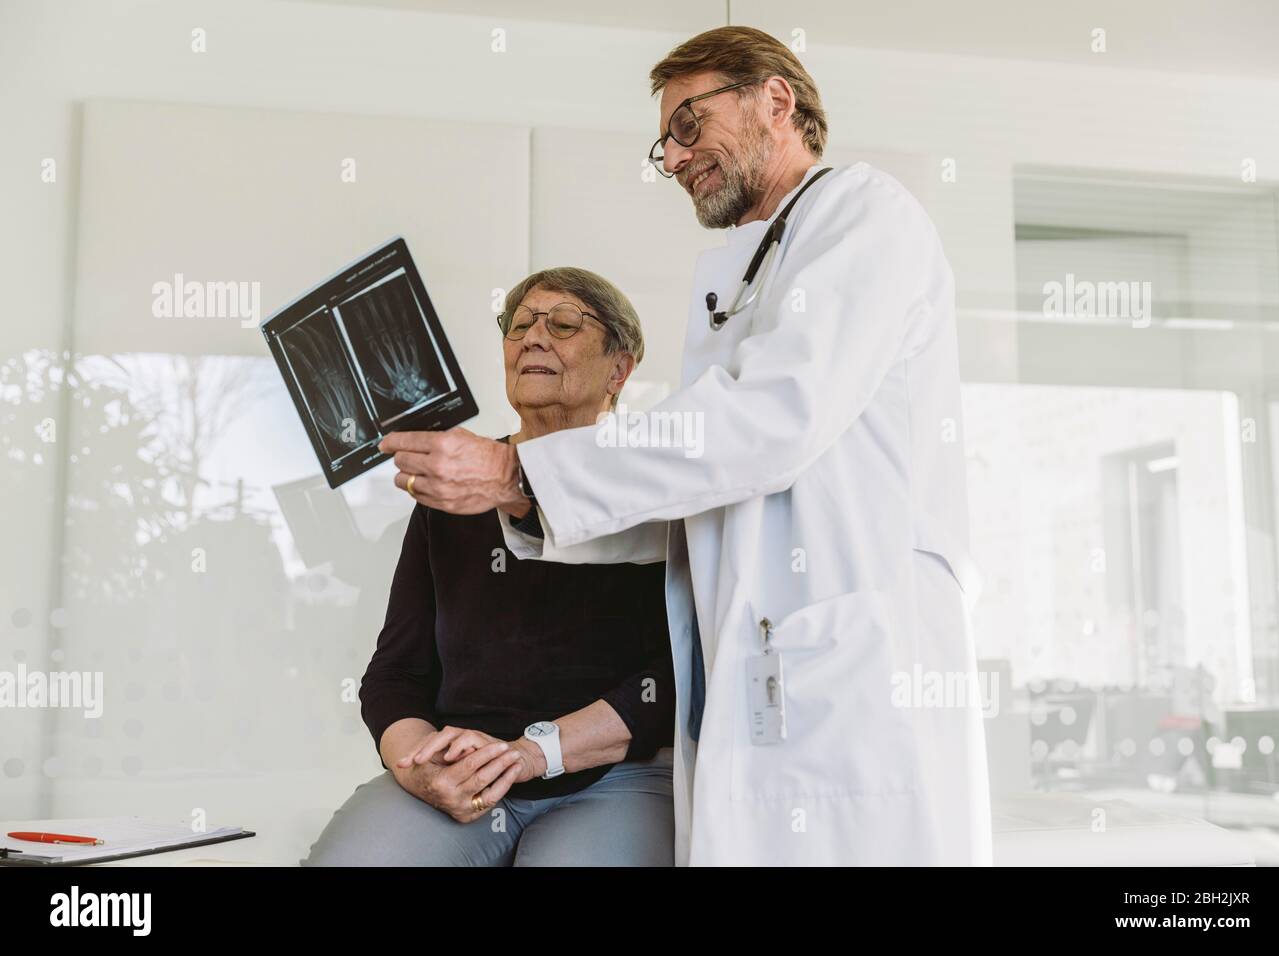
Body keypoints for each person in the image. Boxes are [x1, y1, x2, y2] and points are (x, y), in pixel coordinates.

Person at [379, 26, 993, 866]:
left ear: (777, 99)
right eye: (665, 142)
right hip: (767, 689)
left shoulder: (865, 215)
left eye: (688, 125)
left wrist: (520, 470)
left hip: (852, 678)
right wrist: (521, 495)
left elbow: (768, 425)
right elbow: (710, 496)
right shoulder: (751, 272)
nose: (673, 158)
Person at [303, 267, 675, 866]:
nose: (532, 336)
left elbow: (680, 674)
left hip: (612, 777)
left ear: (619, 369)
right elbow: (395, 673)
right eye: (519, 324)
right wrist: (422, 765)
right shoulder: (452, 498)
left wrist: (532, 753)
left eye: (562, 323)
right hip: (462, 774)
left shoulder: (657, 489)